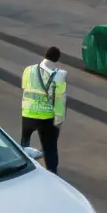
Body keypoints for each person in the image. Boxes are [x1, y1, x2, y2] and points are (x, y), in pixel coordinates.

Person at [21, 46, 67, 174]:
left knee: (24, 145)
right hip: (47, 118)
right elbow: (59, 102)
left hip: (27, 114)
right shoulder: (60, 74)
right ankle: (52, 173)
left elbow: (24, 87)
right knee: (50, 148)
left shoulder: (28, 70)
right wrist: (58, 123)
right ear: (57, 60)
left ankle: (22, 169)